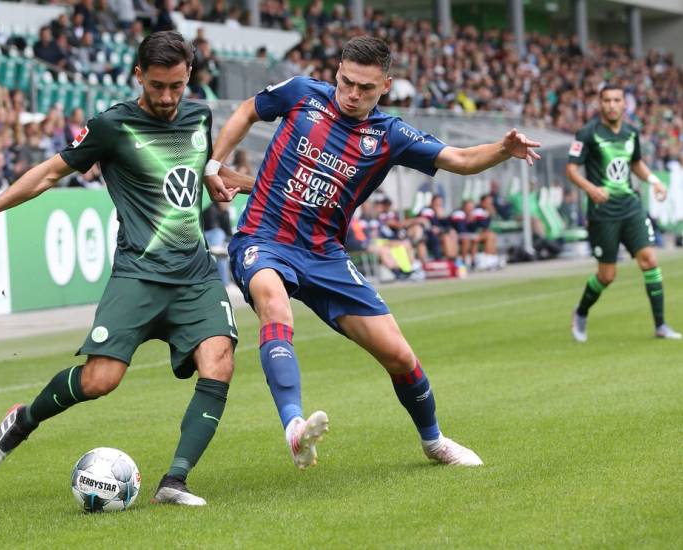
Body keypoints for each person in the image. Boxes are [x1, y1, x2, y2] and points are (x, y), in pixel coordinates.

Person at [0, 31, 252, 506]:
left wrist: (245, 186)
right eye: (156, 87)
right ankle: (24, 419)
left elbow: (199, 174)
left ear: (188, 75)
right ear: (137, 77)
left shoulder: (199, 116)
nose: (168, 98)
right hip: (138, 274)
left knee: (221, 361)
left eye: (175, 85)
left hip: (194, 274)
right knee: (100, 380)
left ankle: (175, 481)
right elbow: (48, 172)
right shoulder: (110, 126)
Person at [205, 36, 540, 469]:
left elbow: (458, 157)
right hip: (262, 239)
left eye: (365, 87)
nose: (352, 93)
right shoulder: (302, 94)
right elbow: (249, 109)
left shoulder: (391, 135)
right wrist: (215, 164)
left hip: (325, 255)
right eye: (346, 82)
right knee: (274, 304)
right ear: (338, 72)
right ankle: (294, 429)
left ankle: (434, 440)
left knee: (399, 355)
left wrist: (502, 150)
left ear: (386, 84)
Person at [565, 85, 680, 341]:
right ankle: (581, 312)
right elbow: (571, 170)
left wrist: (653, 180)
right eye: (607, 100)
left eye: (617, 100)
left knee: (649, 259)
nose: (612, 105)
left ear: (623, 104)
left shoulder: (631, 132)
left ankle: (660, 325)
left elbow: (635, 162)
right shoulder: (587, 133)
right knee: (607, 276)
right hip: (602, 213)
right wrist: (591, 188)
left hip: (630, 206)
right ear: (600, 103)